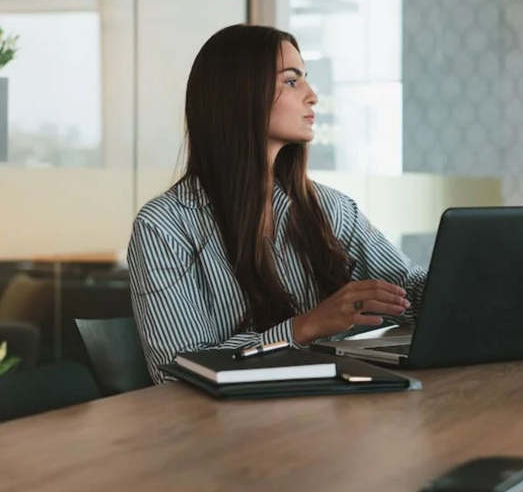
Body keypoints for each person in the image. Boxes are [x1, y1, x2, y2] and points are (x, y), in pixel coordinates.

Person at [128, 24, 426, 383]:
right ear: (241, 95)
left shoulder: (329, 208)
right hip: (226, 433)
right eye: (291, 81)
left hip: (327, 415)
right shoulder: (163, 227)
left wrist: (468, 278)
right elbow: (177, 373)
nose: (312, 96)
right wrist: (307, 325)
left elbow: (406, 288)